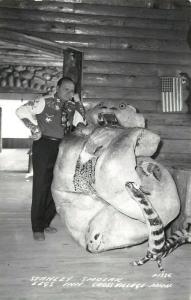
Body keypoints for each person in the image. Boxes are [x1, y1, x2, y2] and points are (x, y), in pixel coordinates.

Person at [16, 77, 86, 241]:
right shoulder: (44, 101)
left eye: (72, 90)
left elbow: (80, 120)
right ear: (58, 87)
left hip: (63, 147)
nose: (69, 93)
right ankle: (37, 227)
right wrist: (34, 127)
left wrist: (77, 102)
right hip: (44, 145)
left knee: (58, 186)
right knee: (41, 186)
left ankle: (46, 221)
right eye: (66, 89)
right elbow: (21, 111)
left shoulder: (71, 105)